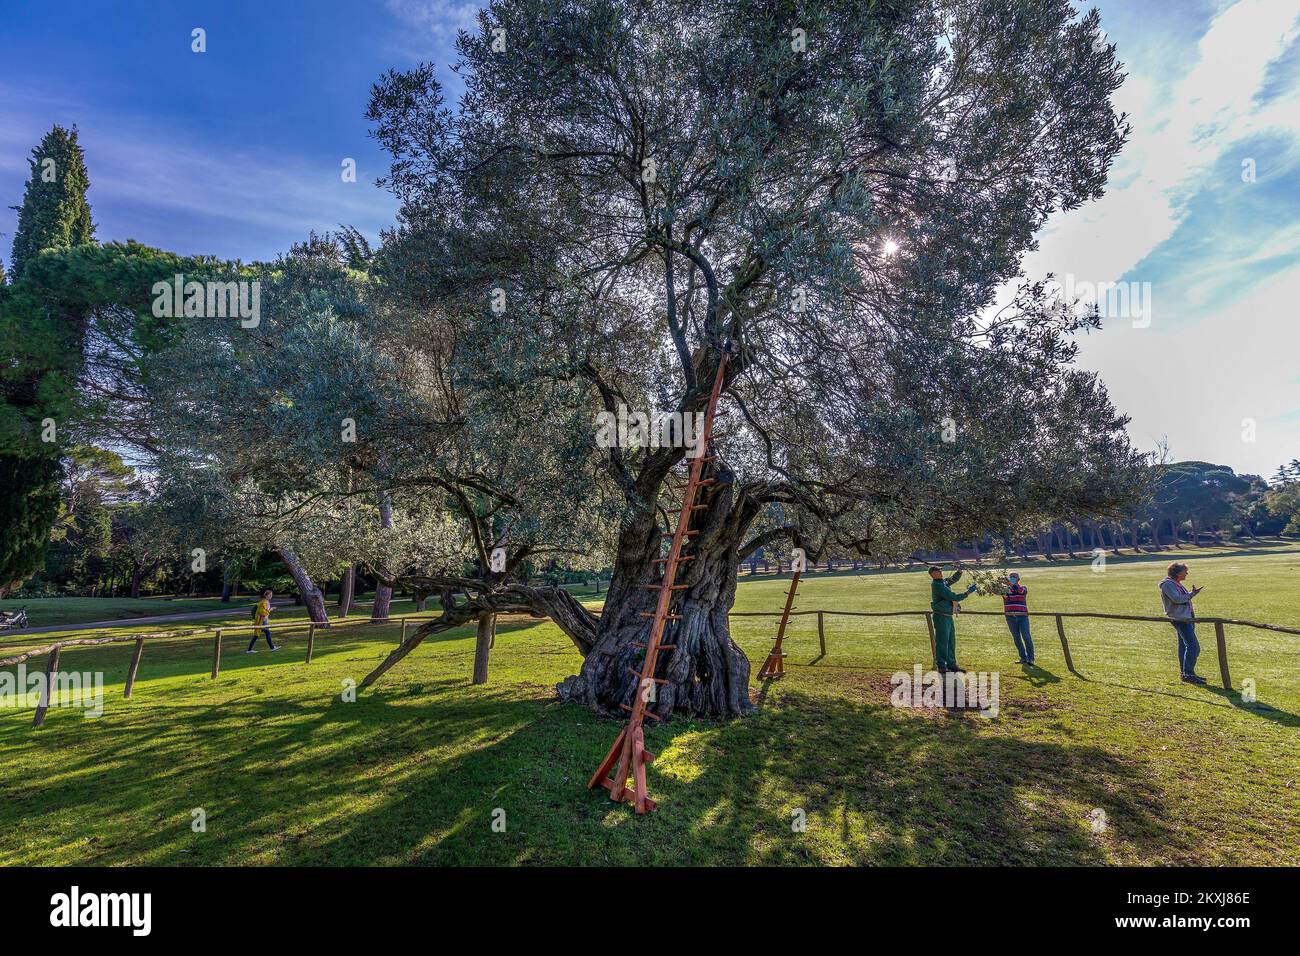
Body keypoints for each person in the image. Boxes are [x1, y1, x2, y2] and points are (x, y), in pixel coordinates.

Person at [1160, 562, 1203, 684]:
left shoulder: (1176, 583)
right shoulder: (1168, 584)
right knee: (1194, 647)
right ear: (1178, 573)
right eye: (1185, 571)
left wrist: (1191, 594)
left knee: (1184, 646)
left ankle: (1186, 673)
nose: (1187, 573)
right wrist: (1191, 594)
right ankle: (1188, 674)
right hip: (1180, 619)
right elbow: (1177, 599)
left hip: (1186, 618)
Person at [929, 566, 977, 673]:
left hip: (947, 616)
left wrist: (959, 571)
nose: (941, 572)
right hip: (941, 617)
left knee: (951, 641)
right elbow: (953, 597)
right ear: (933, 574)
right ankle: (941, 665)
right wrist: (968, 592)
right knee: (942, 641)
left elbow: (952, 579)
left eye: (940, 570)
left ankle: (952, 665)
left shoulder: (942, 582)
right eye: (938, 571)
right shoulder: (937, 585)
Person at [1001, 572, 1034, 665]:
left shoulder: (1023, 588)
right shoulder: (1005, 589)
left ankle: (1030, 658)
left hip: (1022, 616)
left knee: (1026, 636)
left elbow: (1022, 592)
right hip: (1010, 617)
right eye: (1011, 577)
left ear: (1018, 579)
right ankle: (1023, 658)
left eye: (1014, 577)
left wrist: (1011, 584)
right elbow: (1004, 596)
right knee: (1016, 638)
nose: (1012, 578)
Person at [247, 589, 279, 653]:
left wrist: (269, 610)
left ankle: (249, 650)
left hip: (264, 620)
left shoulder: (266, 601)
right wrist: (270, 610)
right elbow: (262, 612)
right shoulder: (264, 602)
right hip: (262, 621)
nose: (271, 596)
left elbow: (264, 611)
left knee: (257, 635)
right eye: (270, 595)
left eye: (271, 595)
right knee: (264, 633)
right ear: (266, 595)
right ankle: (272, 647)